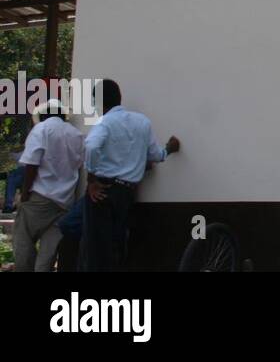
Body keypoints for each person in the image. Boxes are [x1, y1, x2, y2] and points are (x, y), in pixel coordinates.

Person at [80, 79, 180, 271]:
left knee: (96, 248)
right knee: (116, 246)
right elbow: (155, 155)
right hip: (126, 193)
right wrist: (169, 149)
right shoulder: (142, 122)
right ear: (119, 97)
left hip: (102, 190)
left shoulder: (104, 123)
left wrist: (91, 180)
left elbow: (91, 146)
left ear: (99, 102)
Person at [13, 100, 84, 272]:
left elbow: (31, 164)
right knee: (49, 252)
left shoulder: (42, 129)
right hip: (65, 201)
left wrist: (24, 194)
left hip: (39, 198)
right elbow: (80, 166)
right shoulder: (77, 135)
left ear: (43, 115)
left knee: (23, 242)